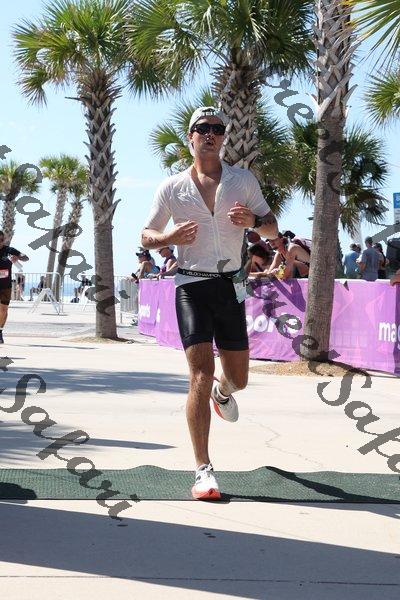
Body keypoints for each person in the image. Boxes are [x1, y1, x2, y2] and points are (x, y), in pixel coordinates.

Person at [140, 105, 278, 500]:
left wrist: (253, 222)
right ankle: (203, 469)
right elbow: (146, 234)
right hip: (191, 285)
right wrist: (168, 239)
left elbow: (272, 227)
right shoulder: (172, 187)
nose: (210, 134)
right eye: (203, 128)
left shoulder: (242, 180)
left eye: (217, 128)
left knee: (239, 379)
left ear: (223, 137)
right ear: (191, 137)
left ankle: (224, 392)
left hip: (230, 287)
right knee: (200, 372)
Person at [0, 231, 29, 343]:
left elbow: (26, 257)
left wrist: (18, 257)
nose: (0, 242)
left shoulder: (9, 250)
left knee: (4, 309)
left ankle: (0, 331)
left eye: (1, 240)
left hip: (6, 286)